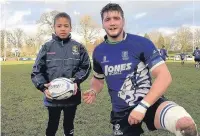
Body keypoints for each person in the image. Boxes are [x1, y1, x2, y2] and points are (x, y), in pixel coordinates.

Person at [83, 3, 199, 136]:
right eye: (107, 19)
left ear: (123, 21)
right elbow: (98, 79)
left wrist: (143, 106)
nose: (112, 23)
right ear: (103, 24)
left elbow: (164, 76)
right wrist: (93, 90)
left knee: (186, 126)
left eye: (116, 18)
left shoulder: (141, 43)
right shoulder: (99, 51)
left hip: (150, 102)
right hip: (122, 111)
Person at [31, 12, 91, 136]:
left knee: (69, 124)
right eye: (59, 26)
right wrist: (43, 87)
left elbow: (86, 67)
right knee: (52, 123)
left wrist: (76, 81)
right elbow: (37, 70)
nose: (62, 29)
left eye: (66, 25)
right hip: (52, 97)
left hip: (72, 96)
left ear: (71, 28)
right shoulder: (46, 47)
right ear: (54, 27)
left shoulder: (78, 47)